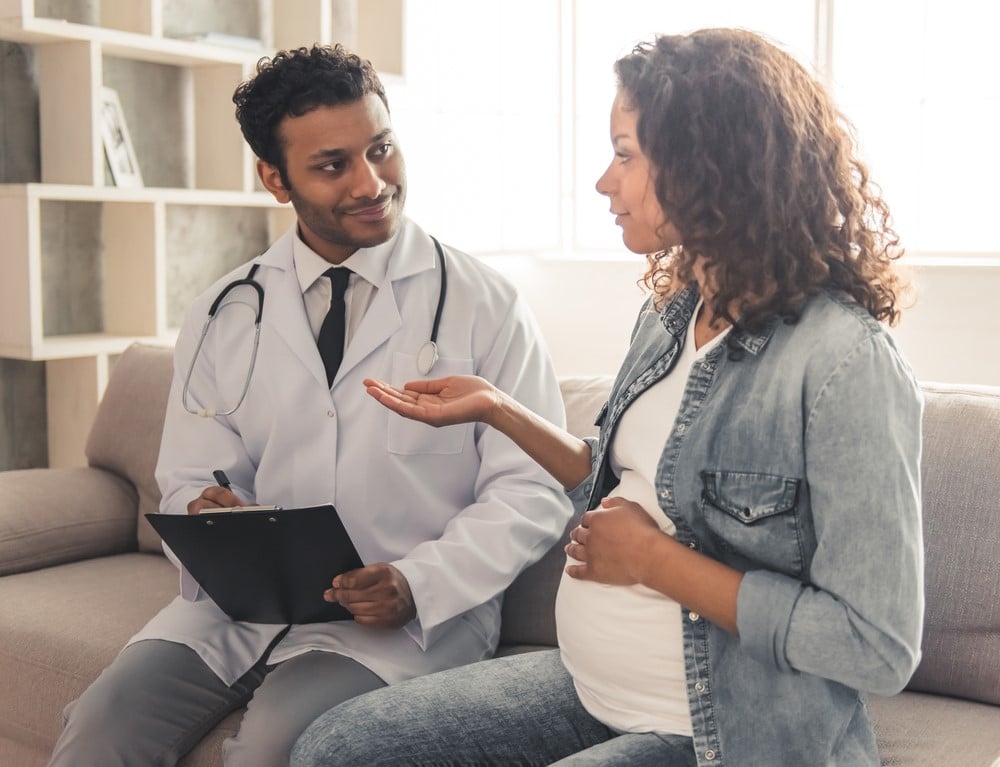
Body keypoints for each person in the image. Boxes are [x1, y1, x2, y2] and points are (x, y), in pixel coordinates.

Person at [291, 28, 925, 767]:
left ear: (709, 167)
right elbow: (633, 477)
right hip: (590, 689)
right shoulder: (672, 313)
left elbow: (874, 645)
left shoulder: (844, 363)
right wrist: (497, 407)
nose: (604, 181)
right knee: (336, 748)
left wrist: (655, 562)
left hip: (725, 728)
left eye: (625, 154)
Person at [47, 44, 572, 767]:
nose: (371, 182)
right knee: (102, 726)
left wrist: (418, 583)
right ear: (274, 178)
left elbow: (534, 491)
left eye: (381, 149)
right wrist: (207, 507)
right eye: (333, 165)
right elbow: (191, 471)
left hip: (405, 621)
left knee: (275, 747)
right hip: (236, 611)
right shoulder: (225, 310)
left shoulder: (485, 305)